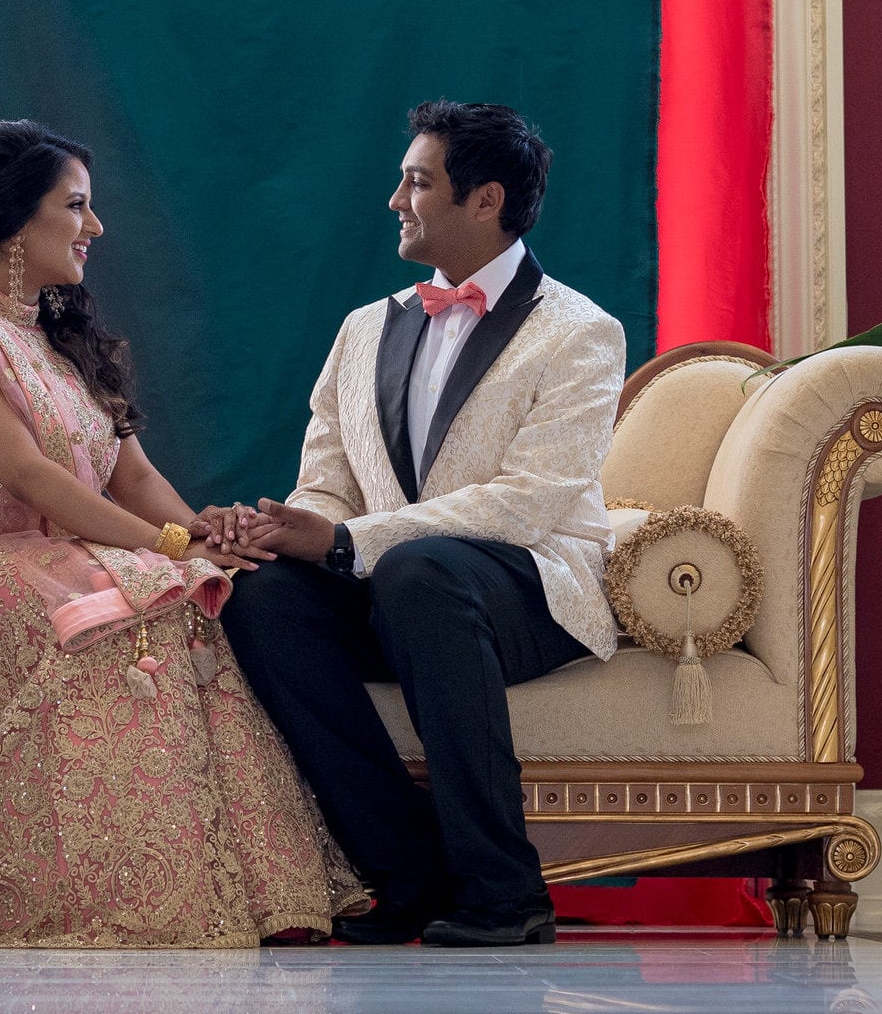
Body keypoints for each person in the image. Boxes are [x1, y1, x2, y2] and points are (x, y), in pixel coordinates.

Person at [0, 119, 363, 947]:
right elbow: (29, 476)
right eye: (76, 206)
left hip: (35, 557)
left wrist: (206, 534)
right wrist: (170, 552)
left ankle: (239, 892)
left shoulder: (56, 335)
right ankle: (119, 898)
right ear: (17, 216)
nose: (96, 228)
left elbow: (136, 475)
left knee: (192, 608)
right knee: (122, 625)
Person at [220, 101, 625, 948]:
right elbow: (329, 484)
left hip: (530, 587)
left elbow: (532, 500)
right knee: (260, 598)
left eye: (416, 181)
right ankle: (406, 873)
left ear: (485, 199)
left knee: (422, 573)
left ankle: (505, 892)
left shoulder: (581, 331)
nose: (395, 199)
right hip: (396, 582)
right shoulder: (364, 329)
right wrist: (293, 529)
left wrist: (347, 542)